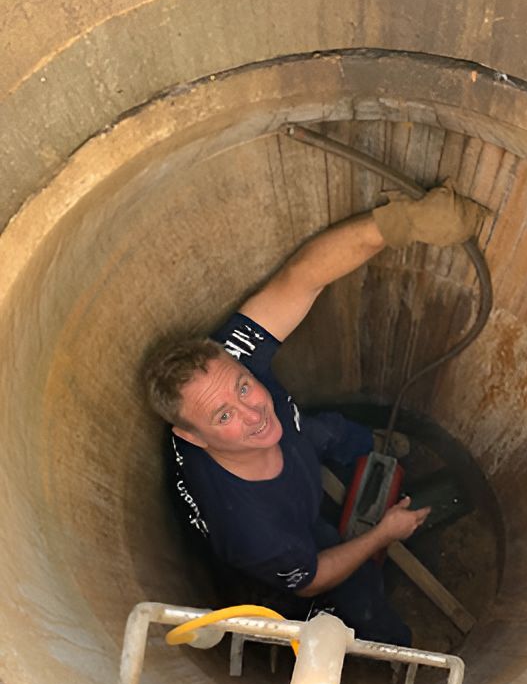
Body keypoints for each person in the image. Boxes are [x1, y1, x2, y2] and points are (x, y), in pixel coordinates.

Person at [143, 184, 484, 646]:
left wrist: (402, 222)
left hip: (299, 443)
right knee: (358, 593)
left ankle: (373, 445)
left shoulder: (218, 369)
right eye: (224, 416)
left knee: (331, 431)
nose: (254, 412)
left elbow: (302, 278)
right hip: (296, 527)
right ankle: (392, 652)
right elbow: (312, 578)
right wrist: (383, 533)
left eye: (244, 386)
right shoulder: (252, 531)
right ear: (194, 437)